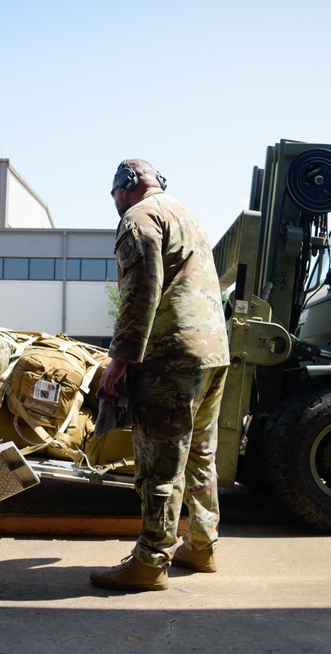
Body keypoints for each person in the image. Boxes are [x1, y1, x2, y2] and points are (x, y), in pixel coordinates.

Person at [89, 159, 230, 592]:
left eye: (114, 193)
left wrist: (121, 359)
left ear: (126, 186)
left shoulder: (139, 218)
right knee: (200, 456)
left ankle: (151, 562)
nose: (114, 202)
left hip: (170, 357)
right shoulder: (184, 213)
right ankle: (202, 546)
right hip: (211, 353)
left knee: (159, 463)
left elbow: (142, 291)